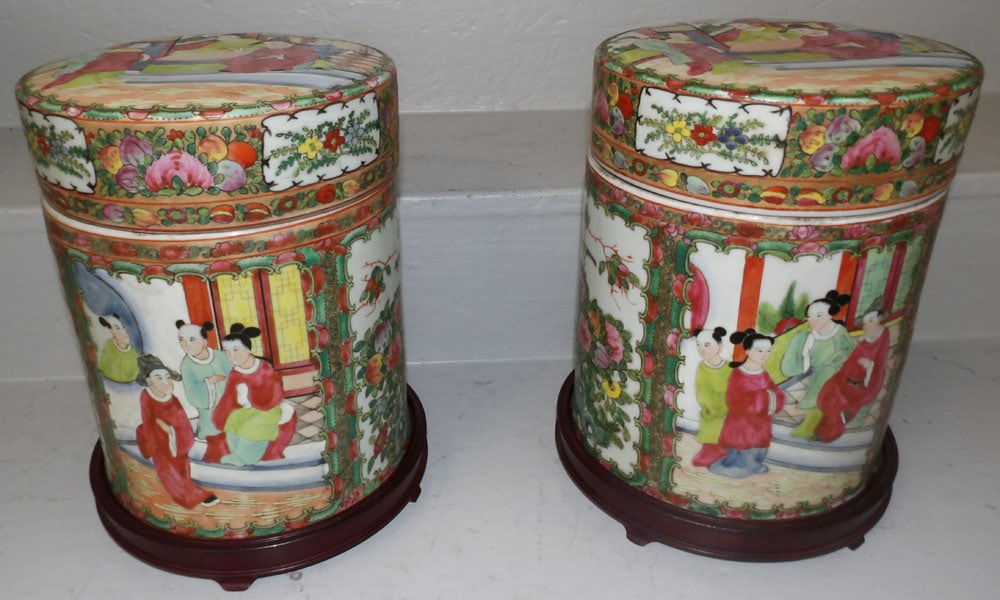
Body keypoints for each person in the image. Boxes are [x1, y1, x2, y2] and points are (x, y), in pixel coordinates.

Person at [134, 354, 218, 509]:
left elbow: (182, 423)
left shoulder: (173, 400)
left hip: (176, 441)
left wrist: (172, 432)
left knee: (182, 468)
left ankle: (190, 489)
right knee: (169, 471)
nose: (166, 381)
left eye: (167, 377)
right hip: (159, 442)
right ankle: (187, 496)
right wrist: (160, 429)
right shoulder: (146, 396)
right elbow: (149, 419)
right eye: (159, 378)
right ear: (148, 380)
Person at [709, 329, 785, 478]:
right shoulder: (738, 374)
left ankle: (754, 463)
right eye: (760, 350)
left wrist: (771, 398)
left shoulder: (763, 373)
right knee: (743, 445)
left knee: (759, 444)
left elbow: (776, 392)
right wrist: (761, 399)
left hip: (761, 421)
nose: (765, 354)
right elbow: (733, 399)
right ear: (748, 351)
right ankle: (743, 465)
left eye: (768, 351)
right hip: (741, 422)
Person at [780, 291, 856, 439]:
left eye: (818, 316)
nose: (812, 320)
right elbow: (806, 358)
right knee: (819, 399)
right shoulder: (811, 336)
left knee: (823, 399)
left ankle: (816, 428)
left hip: (838, 372)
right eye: (809, 316)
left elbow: (853, 348)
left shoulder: (839, 332)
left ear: (830, 314)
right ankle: (815, 428)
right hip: (820, 374)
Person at [212, 324, 290, 466]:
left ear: (248, 350)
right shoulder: (234, 372)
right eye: (226, 351)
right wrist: (222, 414)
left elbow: (273, 395)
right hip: (248, 409)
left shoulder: (264, 368)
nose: (231, 356)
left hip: (268, 409)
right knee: (233, 420)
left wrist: (249, 396)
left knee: (251, 427)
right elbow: (229, 397)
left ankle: (244, 458)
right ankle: (237, 453)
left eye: (236, 350)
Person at [813, 303, 890, 442]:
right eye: (865, 323)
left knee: (837, 407)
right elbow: (850, 362)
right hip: (844, 380)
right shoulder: (864, 342)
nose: (866, 326)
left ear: (879, 320)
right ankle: (821, 431)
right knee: (827, 398)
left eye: (870, 321)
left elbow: (880, 364)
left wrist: (870, 366)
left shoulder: (882, 338)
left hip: (859, 387)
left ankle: (828, 434)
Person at [690, 327, 732, 467]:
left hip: (727, 408)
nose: (702, 349)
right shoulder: (702, 368)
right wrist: (710, 405)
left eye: (707, 345)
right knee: (709, 420)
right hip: (709, 408)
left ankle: (720, 449)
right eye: (698, 345)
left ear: (719, 346)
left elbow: (733, 389)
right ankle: (709, 449)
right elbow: (701, 390)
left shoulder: (729, 368)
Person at [98, 313, 139, 383]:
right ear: (111, 331)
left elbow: (136, 372)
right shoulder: (109, 347)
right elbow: (105, 368)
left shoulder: (133, 353)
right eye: (118, 328)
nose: (124, 331)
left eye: (123, 327)